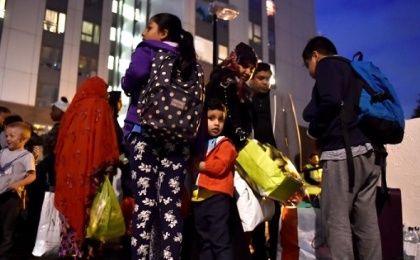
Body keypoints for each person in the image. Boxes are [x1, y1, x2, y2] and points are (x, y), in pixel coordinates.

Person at [121, 13, 200, 259]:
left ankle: (141, 256)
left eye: (149, 27)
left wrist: (126, 82)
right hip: (178, 139)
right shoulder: (189, 59)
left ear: (163, 33)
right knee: (170, 205)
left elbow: (133, 78)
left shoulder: (148, 49)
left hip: (144, 132)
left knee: (145, 202)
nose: (144, 32)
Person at [301, 36, 382, 259]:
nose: (310, 72)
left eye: (308, 64)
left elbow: (331, 101)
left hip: (342, 154)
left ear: (315, 55)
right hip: (368, 154)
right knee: (367, 225)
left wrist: (314, 130)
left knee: (337, 223)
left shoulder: (327, 66)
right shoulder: (352, 69)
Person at [54, 76, 119, 258]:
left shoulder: (73, 109)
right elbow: (106, 147)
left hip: (68, 176)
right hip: (92, 177)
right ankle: (86, 253)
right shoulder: (101, 106)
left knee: (70, 220)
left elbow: (59, 148)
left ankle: (69, 252)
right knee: (91, 220)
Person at [191, 98, 237, 260]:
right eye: (211, 118)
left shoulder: (226, 144)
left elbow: (221, 166)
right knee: (204, 241)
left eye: (220, 119)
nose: (216, 123)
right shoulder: (199, 143)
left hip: (217, 197)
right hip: (199, 199)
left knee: (220, 241)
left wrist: (201, 166)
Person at [26, 96, 69, 248]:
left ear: (61, 112)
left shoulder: (61, 128)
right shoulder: (61, 126)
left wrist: (29, 134)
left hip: (51, 176)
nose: (51, 112)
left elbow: (44, 144)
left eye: (53, 110)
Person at [246, 62, 279, 260]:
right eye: (261, 78)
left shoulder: (277, 98)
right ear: (253, 77)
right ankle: (257, 253)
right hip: (253, 160)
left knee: (276, 208)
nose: (266, 82)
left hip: (275, 161)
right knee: (256, 208)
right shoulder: (245, 98)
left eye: (268, 78)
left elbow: (289, 130)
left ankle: (275, 252)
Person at [0, 121, 36, 258]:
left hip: (12, 197)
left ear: (23, 139)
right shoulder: (2, 152)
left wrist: (19, 183)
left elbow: (32, 176)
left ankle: (3, 254)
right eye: (6, 135)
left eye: (12, 136)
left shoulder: (27, 156)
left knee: (7, 228)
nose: (7, 138)